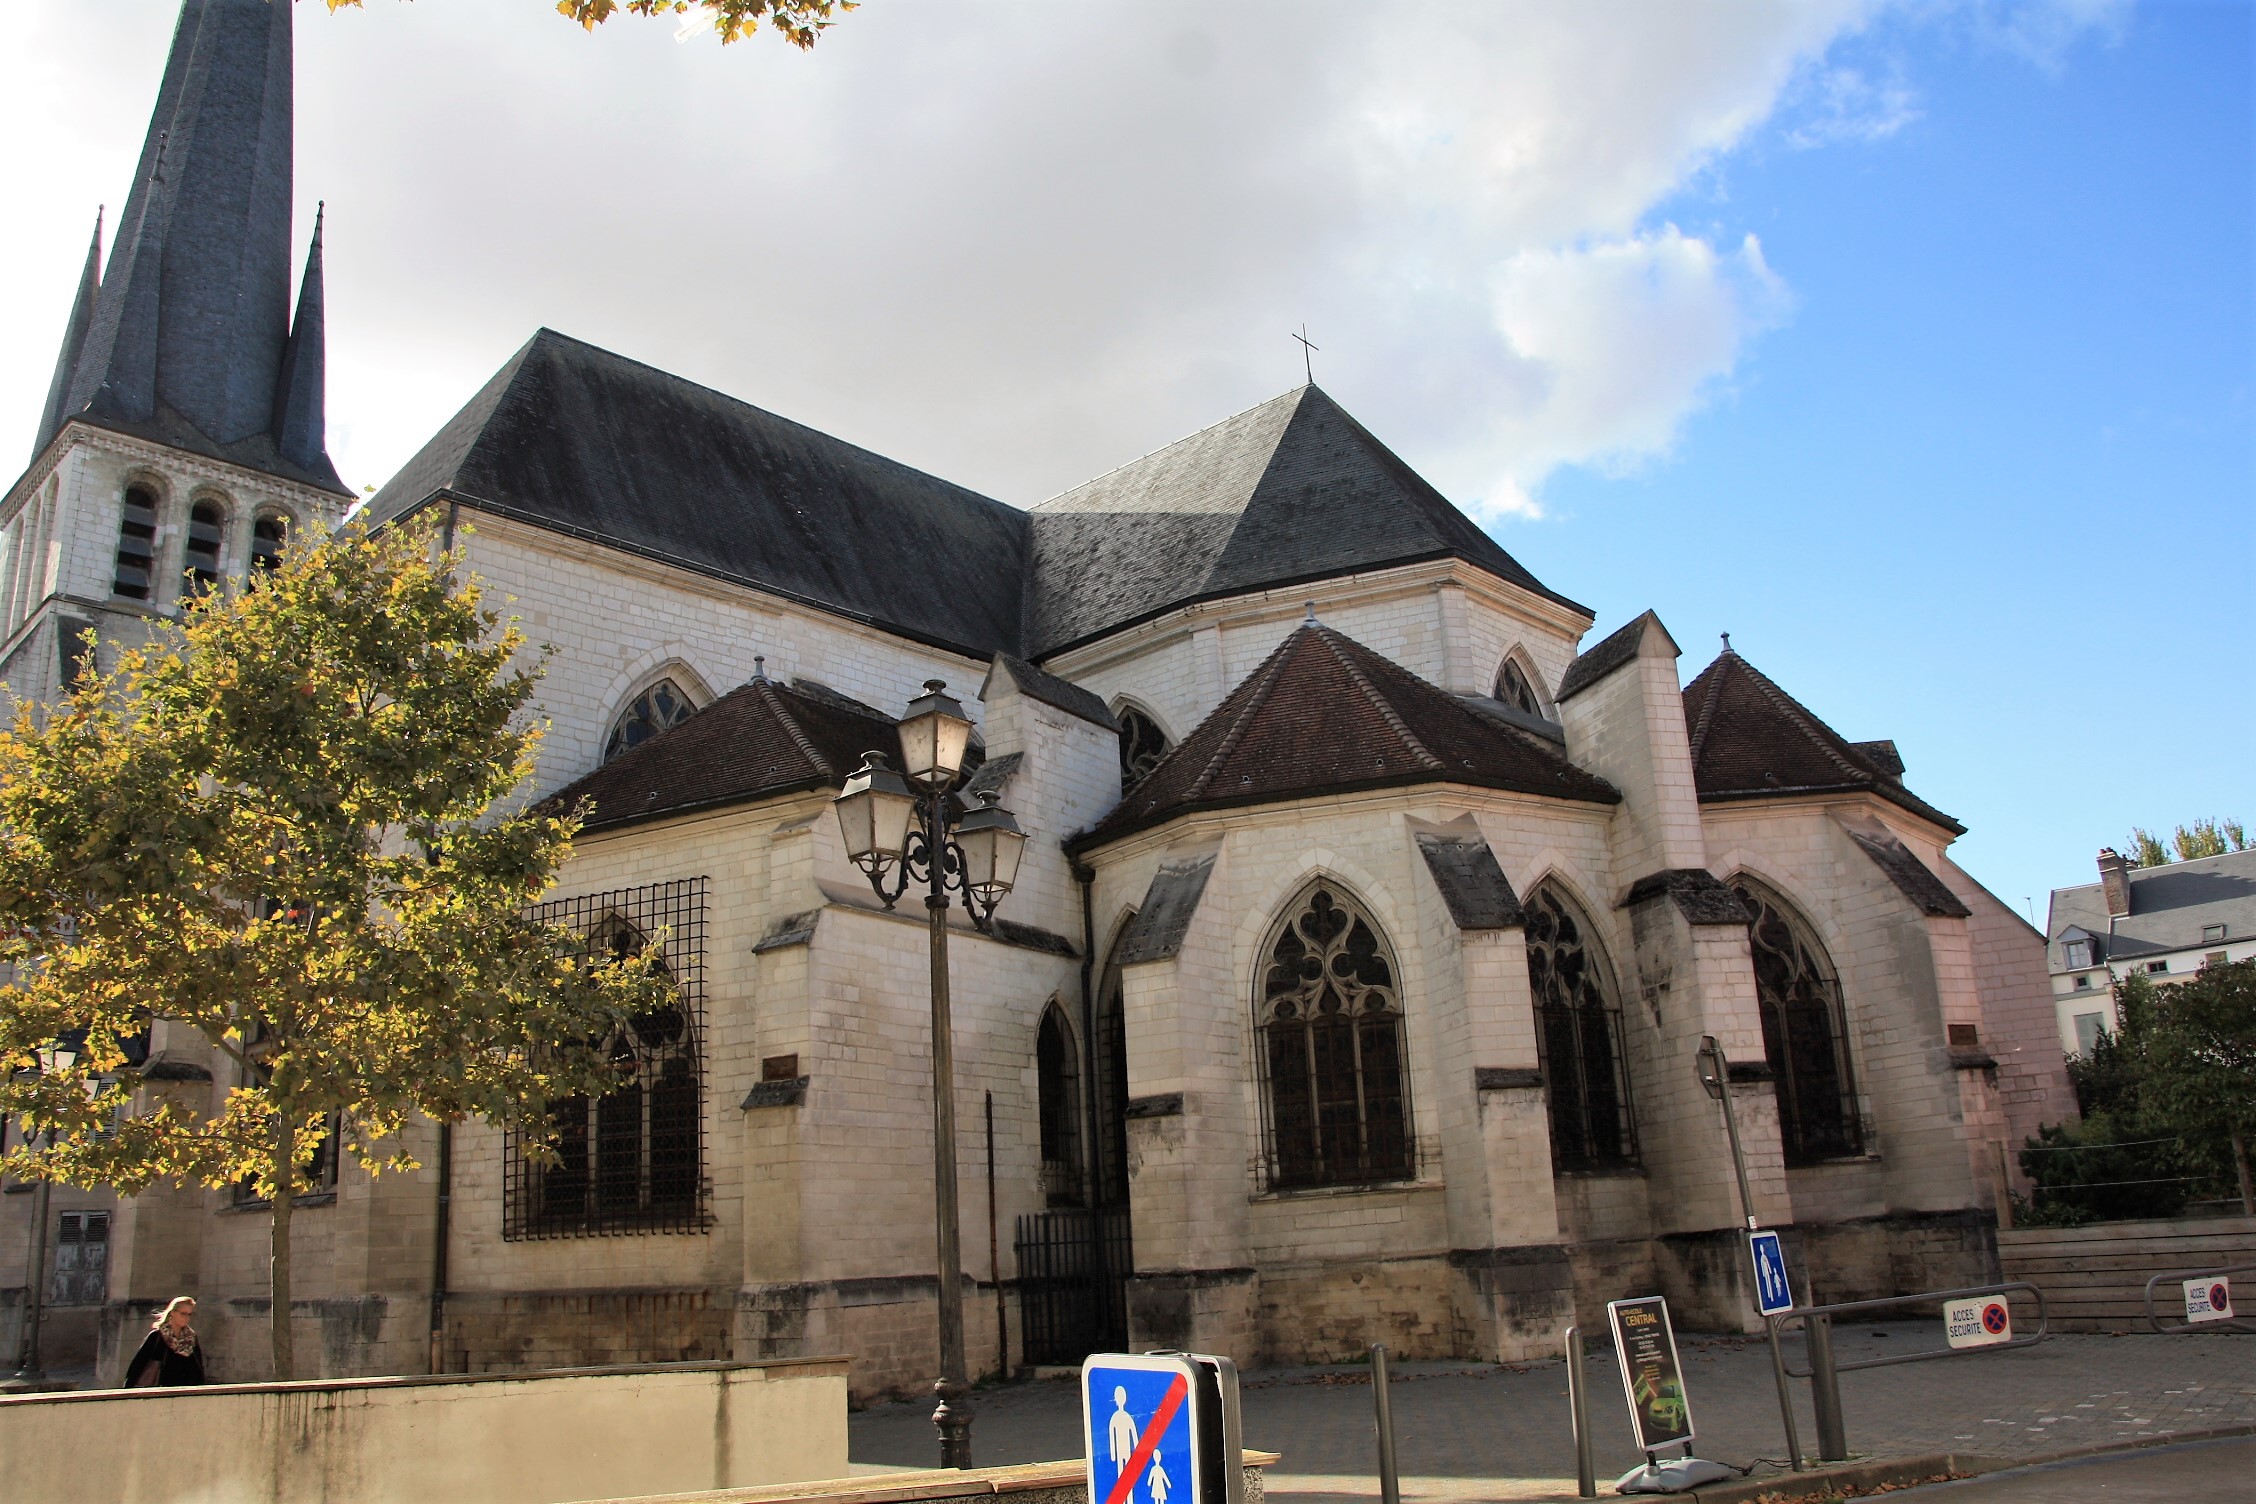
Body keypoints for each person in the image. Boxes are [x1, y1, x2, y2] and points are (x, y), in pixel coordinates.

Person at [125, 1296, 206, 1388]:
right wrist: (128, 1389)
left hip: (185, 1391)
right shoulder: (157, 1336)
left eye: (189, 1314)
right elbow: (138, 1365)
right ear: (172, 1313)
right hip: (159, 1391)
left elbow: (198, 1368)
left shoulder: (191, 1339)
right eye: (183, 1314)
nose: (186, 1318)